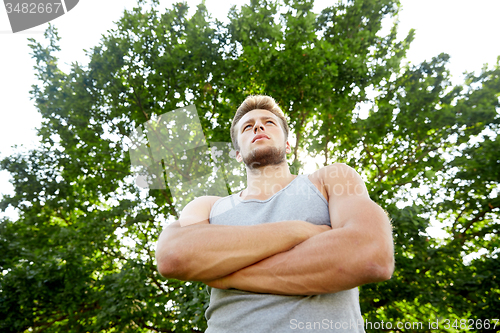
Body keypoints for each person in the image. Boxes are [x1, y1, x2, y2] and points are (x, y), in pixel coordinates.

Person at [155, 95, 394, 332]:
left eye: (269, 122)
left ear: (288, 144)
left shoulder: (331, 179)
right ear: (238, 153)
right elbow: (173, 255)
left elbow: (371, 253)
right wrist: (300, 231)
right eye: (247, 127)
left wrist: (228, 275)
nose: (258, 126)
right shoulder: (208, 206)